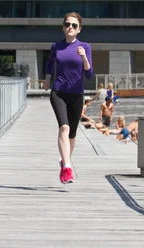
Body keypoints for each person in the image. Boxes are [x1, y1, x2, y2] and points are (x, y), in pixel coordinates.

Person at [43, 12, 93, 184]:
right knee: (64, 128)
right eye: (67, 24)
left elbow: (89, 74)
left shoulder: (85, 46)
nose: (69, 27)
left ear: (79, 29)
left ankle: (64, 160)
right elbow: (50, 62)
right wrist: (47, 78)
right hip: (58, 92)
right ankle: (67, 168)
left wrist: (84, 58)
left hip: (77, 95)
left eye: (74, 25)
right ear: (63, 27)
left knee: (72, 134)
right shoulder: (56, 46)